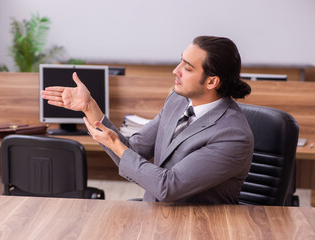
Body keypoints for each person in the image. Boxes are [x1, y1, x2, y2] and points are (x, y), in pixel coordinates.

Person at [41, 36, 254, 204]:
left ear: (212, 81)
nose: (175, 70)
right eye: (180, 61)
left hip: (199, 226)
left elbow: (168, 187)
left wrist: (116, 145)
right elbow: (133, 150)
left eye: (187, 68)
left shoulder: (233, 135)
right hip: (157, 216)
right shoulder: (177, 102)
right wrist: (90, 108)